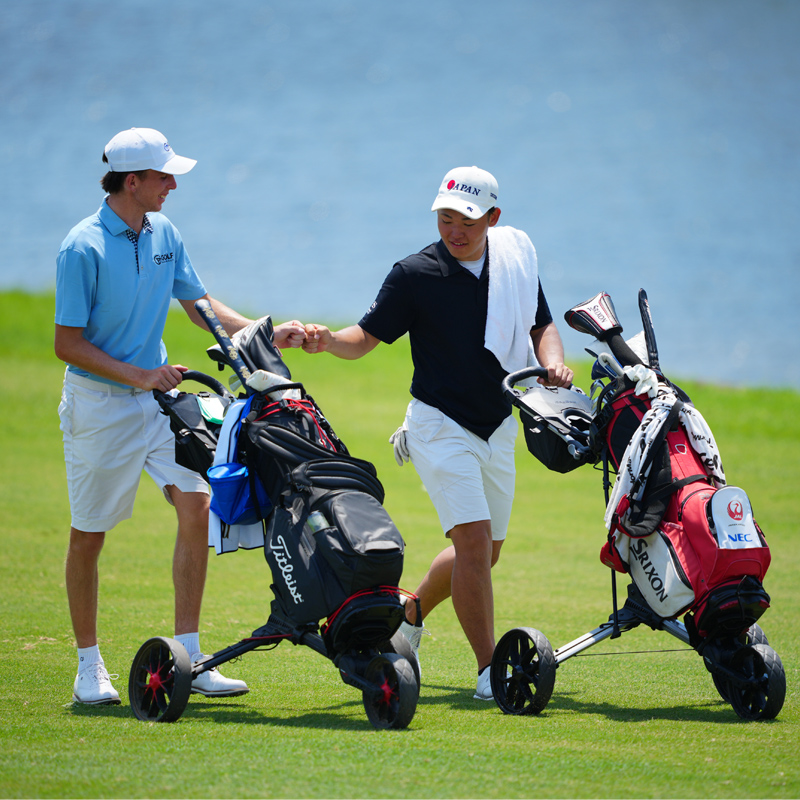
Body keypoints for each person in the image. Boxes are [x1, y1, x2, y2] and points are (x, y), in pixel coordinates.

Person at [54, 127, 306, 705]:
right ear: (132, 180)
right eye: (165, 176)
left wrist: (265, 333)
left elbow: (200, 305)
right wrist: (140, 375)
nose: (173, 185)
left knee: (198, 503)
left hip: (160, 401)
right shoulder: (82, 247)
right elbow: (68, 343)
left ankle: (187, 655)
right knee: (89, 534)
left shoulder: (164, 230)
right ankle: (88, 666)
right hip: (99, 404)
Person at [302, 166, 573, 700]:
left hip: (497, 424)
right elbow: (364, 337)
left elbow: (541, 325)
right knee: (472, 545)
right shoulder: (415, 274)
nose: (455, 230)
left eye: (468, 220)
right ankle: (488, 672)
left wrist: (554, 363)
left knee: (486, 553)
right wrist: (325, 340)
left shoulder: (513, 260)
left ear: (493, 218)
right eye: (446, 217)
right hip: (437, 426)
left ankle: (410, 616)